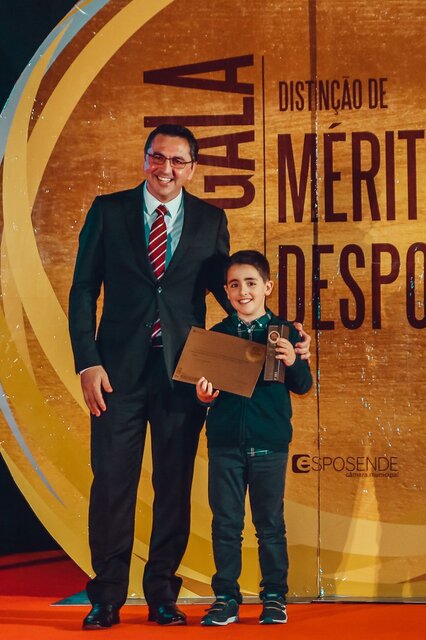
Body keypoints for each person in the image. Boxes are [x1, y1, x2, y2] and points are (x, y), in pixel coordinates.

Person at [68, 125, 310, 630]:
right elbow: (84, 289)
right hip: (115, 375)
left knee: (173, 487)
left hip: (183, 373)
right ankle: (106, 597)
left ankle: (162, 594)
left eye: (178, 161)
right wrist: (87, 362)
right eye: (158, 158)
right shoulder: (108, 211)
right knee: (111, 485)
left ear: (192, 169)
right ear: (145, 160)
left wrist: (284, 334)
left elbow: (231, 294)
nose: (167, 169)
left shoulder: (210, 220)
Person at [196, 250, 313, 626]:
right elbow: (203, 392)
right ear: (226, 291)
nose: (242, 291)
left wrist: (293, 361)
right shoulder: (217, 336)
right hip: (225, 443)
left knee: (270, 525)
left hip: (270, 443)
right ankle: (226, 598)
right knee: (226, 524)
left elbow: (303, 385)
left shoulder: (287, 333)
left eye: (250, 283)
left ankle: (274, 596)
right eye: (234, 285)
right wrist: (203, 396)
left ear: (267, 287)